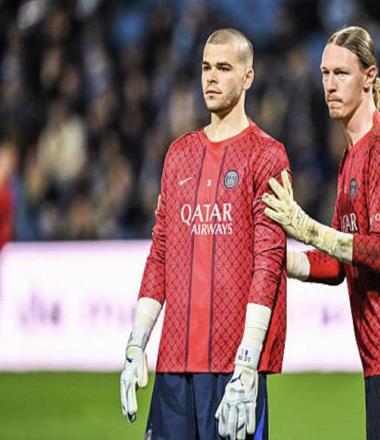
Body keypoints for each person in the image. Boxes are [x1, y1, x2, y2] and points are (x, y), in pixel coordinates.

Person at [262, 26, 380, 439]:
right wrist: (279, 259)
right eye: (324, 73)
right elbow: (338, 263)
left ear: (369, 76)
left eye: (341, 73)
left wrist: (306, 227)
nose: (329, 85)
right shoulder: (353, 155)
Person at [120, 28, 289, 440]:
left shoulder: (267, 155)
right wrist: (136, 343)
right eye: (206, 67)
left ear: (248, 77)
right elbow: (160, 255)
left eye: (224, 68)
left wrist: (248, 360)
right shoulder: (179, 154)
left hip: (232, 370)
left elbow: (268, 265)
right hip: (173, 367)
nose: (211, 77)